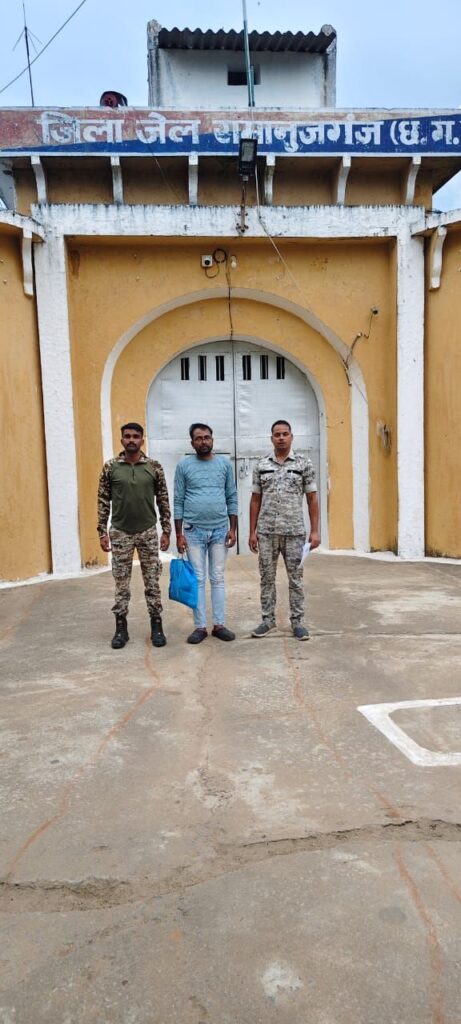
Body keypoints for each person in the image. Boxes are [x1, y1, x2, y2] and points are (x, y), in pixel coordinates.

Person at [97, 422, 171, 649]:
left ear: (142, 440)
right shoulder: (111, 468)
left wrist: (166, 530)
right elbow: (102, 501)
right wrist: (102, 531)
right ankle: (121, 629)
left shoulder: (154, 467)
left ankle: (156, 626)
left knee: (152, 582)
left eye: (136, 436)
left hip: (148, 532)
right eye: (127, 436)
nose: (131, 440)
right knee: (121, 584)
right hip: (120, 532)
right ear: (121, 440)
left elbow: (163, 499)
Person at [249, 419, 320, 641]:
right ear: (271, 438)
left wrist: (315, 531)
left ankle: (297, 622)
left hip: (294, 532)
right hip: (266, 532)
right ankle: (267, 620)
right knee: (266, 578)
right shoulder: (261, 465)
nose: (281, 438)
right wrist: (252, 532)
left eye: (285, 434)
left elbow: (312, 499)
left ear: (291, 437)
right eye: (277, 434)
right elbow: (255, 499)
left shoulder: (303, 464)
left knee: (295, 579)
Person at [174, 423, 238, 644]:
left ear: (212, 439)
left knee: (217, 577)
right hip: (193, 531)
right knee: (199, 579)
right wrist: (179, 534)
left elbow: (232, 496)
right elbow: (178, 500)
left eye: (207, 437)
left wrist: (233, 528)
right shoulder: (184, 466)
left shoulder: (224, 464)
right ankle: (200, 627)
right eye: (199, 438)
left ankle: (219, 625)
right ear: (192, 443)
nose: (203, 441)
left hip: (220, 529)